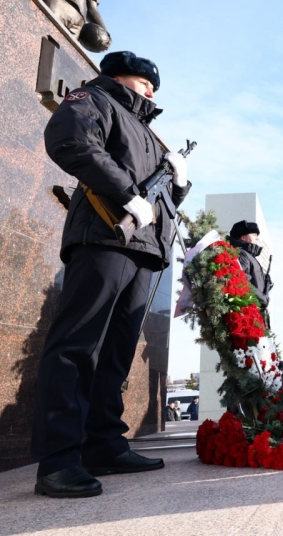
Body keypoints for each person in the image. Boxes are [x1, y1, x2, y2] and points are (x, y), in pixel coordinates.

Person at [31, 51, 191, 499]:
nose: (151, 91)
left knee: (115, 356)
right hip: (104, 238)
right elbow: (70, 140)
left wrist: (178, 183)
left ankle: (104, 443)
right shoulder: (95, 99)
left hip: (143, 251)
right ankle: (60, 459)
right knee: (77, 347)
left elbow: (162, 203)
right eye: (145, 83)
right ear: (118, 76)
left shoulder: (145, 131)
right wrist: (126, 193)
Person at [228, 220, 273, 328]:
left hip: (256, 312)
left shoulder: (250, 256)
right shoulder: (243, 254)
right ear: (243, 237)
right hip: (250, 313)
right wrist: (262, 298)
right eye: (254, 234)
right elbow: (243, 281)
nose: (257, 238)